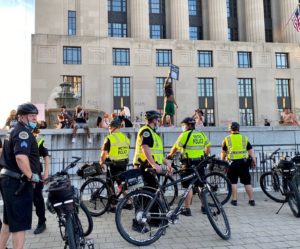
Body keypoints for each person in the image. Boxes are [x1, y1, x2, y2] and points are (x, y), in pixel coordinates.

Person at [0, 103, 41, 249]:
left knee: (8, 222)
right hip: (17, 184)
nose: (34, 119)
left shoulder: (12, 130)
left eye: (35, 116)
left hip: (8, 180)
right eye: (31, 116)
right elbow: (21, 158)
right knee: (19, 226)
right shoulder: (22, 132)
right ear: (21, 116)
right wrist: (31, 176)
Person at [132, 110, 172, 231]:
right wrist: (154, 164)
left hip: (153, 167)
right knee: (149, 193)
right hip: (146, 166)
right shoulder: (146, 131)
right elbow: (145, 149)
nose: (159, 121)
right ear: (154, 120)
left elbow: (158, 153)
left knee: (153, 193)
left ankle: (154, 220)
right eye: (158, 119)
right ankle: (139, 221)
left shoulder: (154, 133)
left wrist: (167, 163)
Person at [167, 117, 211, 216]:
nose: (183, 127)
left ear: (189, 125)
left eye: (184, 125)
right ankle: (205, 207)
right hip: (200, 163)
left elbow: (175, 147)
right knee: (201, 185)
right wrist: (206, 155)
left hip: (188, 164)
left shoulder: (184, 135)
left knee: (188, 186)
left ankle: (187, 209)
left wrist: (170, 155)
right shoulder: (200, 134)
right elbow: (208, 146)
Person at [220, 122, 256, 206]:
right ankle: (251, 200)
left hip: (232, 163)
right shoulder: (244, 138)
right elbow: (250, 150)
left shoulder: (227, 139)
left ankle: (234, 200)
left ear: (230, 129)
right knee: (247, 182)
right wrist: (254, 160)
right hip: (244, 162)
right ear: (238, 129)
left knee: (233, 182)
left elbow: (223, 152)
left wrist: (222, 162)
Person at [99, 118, 130, 212]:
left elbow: (104, 153)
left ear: (112, 127)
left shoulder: (110, 138)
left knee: (110, 183)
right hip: (123, 163)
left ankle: (113, 206)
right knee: (122, 183)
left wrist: (101, 162)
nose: (108, 129)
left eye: (109, 127)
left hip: (113, 164)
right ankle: (129, 202)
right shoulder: (125, 138)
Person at [32, 127, 50, 234]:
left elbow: (46, 156)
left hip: (35, 175)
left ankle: (41, 222)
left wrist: (46, 174)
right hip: (22, 175)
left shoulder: (39, 140)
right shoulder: (21, 139)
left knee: (37, 200)